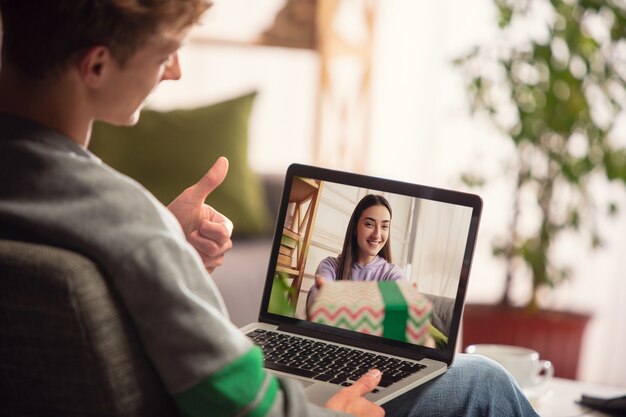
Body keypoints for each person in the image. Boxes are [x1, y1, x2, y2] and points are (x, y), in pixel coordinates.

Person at [0, 1, 539, 416]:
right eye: (165, 52)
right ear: (96, 65)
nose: (176, 71)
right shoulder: (129, 225)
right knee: (480, 381)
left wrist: (170, 249)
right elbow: (241, 396)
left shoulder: (74, 208)